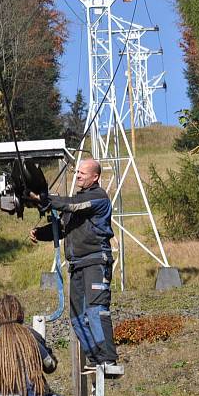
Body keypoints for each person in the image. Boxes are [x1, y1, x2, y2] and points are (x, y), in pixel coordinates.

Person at [29, 158, 118, 370]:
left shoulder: (98, 198)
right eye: (77, 172)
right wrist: (39, 233)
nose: (78, 175)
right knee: (77, 317)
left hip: (96, 260)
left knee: (96, 310)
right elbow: (62, 226)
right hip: (77, 264)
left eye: (82, 173)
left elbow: (70, 205)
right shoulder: (77, 204)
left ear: (95, 177)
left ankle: (107, 358)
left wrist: (44, 198)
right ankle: (95, 359)